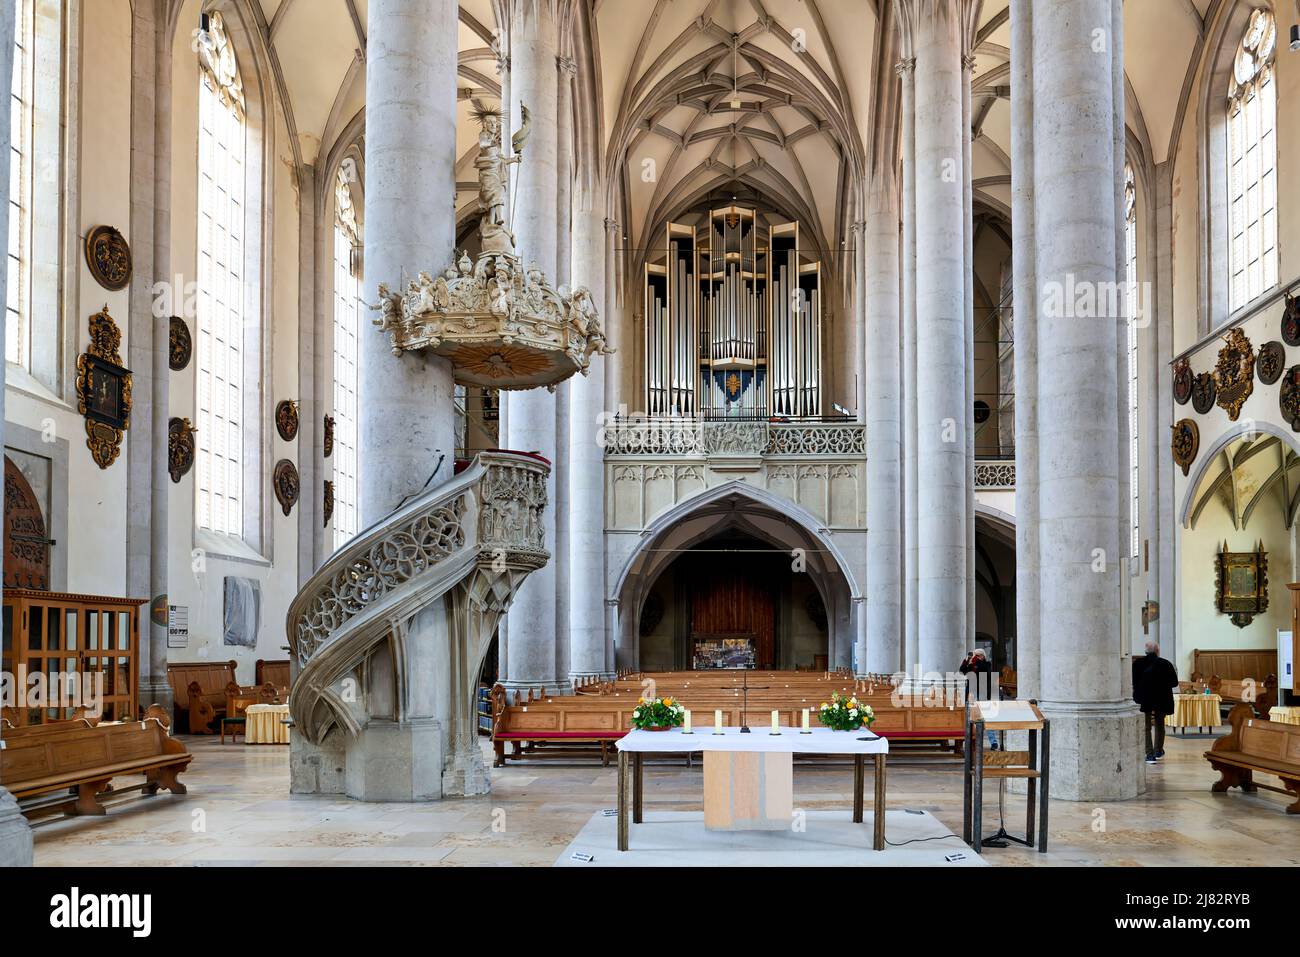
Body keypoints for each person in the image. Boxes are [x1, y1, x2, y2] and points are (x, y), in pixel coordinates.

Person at [1132, 640, 1179, 763]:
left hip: (1144, 699)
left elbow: (1133, 682)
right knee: (1159, 724)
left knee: (1146, 727)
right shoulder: (1166, 663)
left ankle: (1149, 754)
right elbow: (1174, 683)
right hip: (1162, 699)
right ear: (1157, 651)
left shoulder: (1137, 663)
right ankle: (1158, 750)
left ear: (1145, 651)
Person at [960, 649, 999, 750]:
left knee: (987, 717)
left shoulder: (986, 664)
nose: (976, 657)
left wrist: (977, 661)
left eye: (978, 655)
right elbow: (962, 671)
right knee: (972, 718)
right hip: (972, 694)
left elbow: (984, 671)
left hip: (983, 694)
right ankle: (972, 742)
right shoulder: (971, 664)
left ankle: (993, 742)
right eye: (975, 655)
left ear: (983, 656)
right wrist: (967, 660)